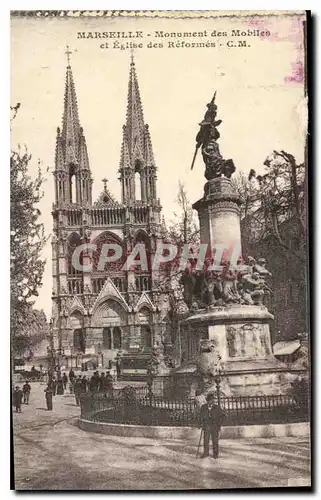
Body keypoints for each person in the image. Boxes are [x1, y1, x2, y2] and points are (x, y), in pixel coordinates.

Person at [199, 393, 225, 459]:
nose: (211, 401)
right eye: (210, 400)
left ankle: (215, 454)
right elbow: (200, 416)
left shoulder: (217, 407)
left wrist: (219, 424)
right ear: (207, 401)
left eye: (212, 400)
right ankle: (206, 453)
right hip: (207, 426)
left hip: (215, 426)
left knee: (215, 441)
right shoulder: (203, 407)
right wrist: (202, 422)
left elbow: (223, 416)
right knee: (206, 440)